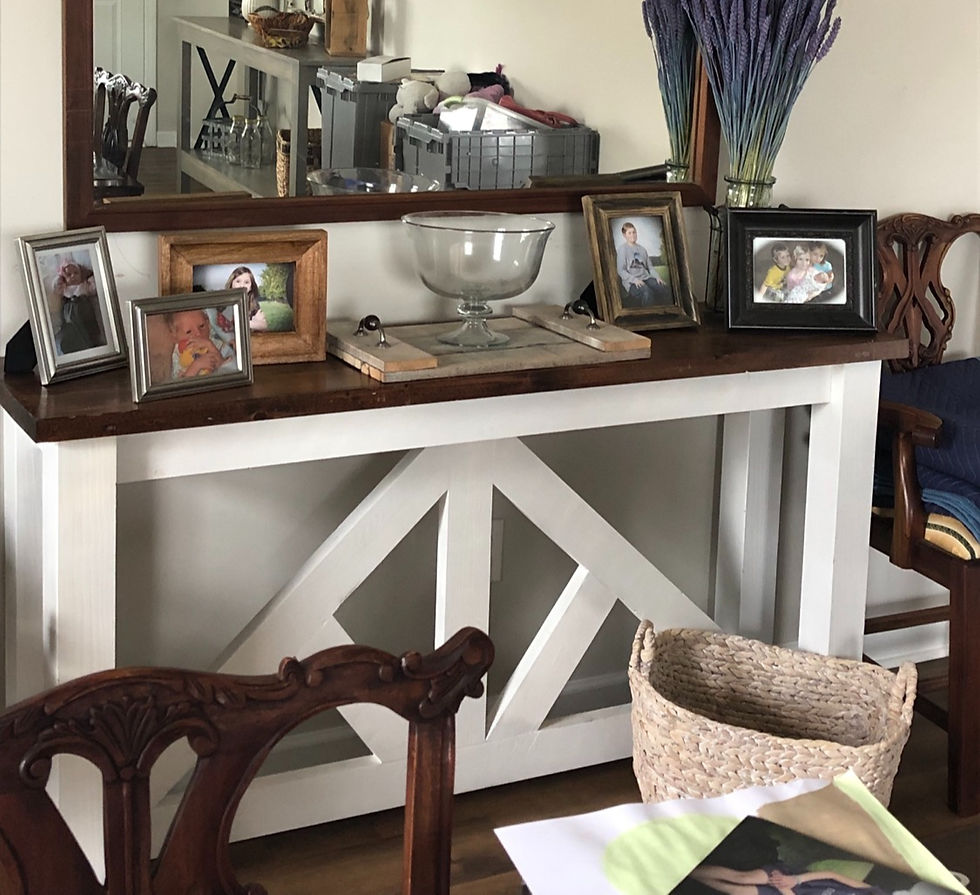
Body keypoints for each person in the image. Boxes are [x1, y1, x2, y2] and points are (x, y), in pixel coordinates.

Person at [690, 863, 888, 895]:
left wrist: (783, 887)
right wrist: (794, 879)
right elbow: (832, 875)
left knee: (735, 891)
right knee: (742, 878)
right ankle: (690, 869)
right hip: (796, 880)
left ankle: (686, 873)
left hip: (786, 892)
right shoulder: (873, 892)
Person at [51, 258, 106, 354]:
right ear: (64, 279)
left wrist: (89, 276)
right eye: (69, 275)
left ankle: (93, 341)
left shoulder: (84, 285)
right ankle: (73, 343)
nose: (73, 276)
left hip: (83, 307)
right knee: (70, 327)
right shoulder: (65, 288)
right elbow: (55, 288)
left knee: (89, 327)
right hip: (69, 309)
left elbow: (94, 288)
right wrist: (60, 278)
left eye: (76, 273)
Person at [167, 308, 235, 379]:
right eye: (189, 332)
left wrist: (210, 346)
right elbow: (180, 385)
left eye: (202, 326)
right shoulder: (177, 354)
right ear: (174, 337)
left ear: (208, 324)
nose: (198, 333)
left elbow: (224, 368)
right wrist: (196, 366)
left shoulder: (214, 343)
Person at [616, 222, 672, 307]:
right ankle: (648, 317)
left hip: (646, 278)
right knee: (647, 292)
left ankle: (665, 314)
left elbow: (650, 267)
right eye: (629, 233)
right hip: (632, 282)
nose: (633, 235)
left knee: (664, 288)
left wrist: (657, 277)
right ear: (624, 235)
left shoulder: (642, 249)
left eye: (634, 232)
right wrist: (635, 280)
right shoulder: (622, 249)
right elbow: (621, 270)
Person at [225, 266, 268, 332]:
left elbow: (264, 326)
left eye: (246, 282)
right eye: (238, 281)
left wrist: (248, 324)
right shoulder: (225, 302)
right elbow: (229, 326)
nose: (242, 285)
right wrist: (253, 323)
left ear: (251, 287)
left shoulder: (253, 303)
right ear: (231, 283)